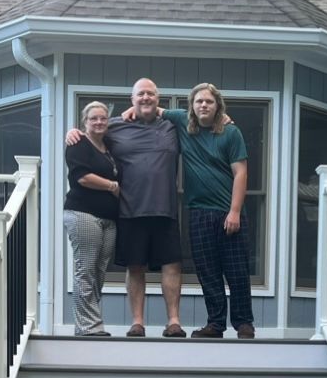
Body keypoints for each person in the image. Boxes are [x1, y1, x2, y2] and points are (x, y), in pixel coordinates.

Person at [160, 83, 253, 339]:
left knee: (237, 271)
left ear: (217, 106)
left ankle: (244, 324)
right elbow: (152, 109)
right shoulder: (182, 121)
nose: (203, 105)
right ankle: (215, 324)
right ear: (192, 105)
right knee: (208, 272)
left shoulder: (231, 133)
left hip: (228, 212)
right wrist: (127, 113)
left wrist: (234, 212)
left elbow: (241, 173)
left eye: (209, 102)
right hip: (198, 212)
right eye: (199, 101)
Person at [102, 78, 185, 338]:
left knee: (171, 265)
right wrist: (73, 133)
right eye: (140, 94)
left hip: (165, 209)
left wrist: (223, 118)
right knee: (135, 267)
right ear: (132, 99)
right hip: (130, 209)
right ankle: (137, 322)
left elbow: (197, 117)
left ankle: (173, 322)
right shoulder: (114, 126)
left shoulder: (173, 126)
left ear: (158, 99)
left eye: (150, 94)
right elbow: (90, 132)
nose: (145, 98)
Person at [62, 100, 120, 336]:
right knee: (85, 270)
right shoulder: (78, 144)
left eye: (103, 118)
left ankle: (90, 322)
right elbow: (82, 177)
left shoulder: (109, 146)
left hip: (109, 219)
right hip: (83, 214)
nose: (99, 122)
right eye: (93, 118)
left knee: (98, 271)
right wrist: (112, 186)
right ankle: (88, 327)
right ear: (84, 122)